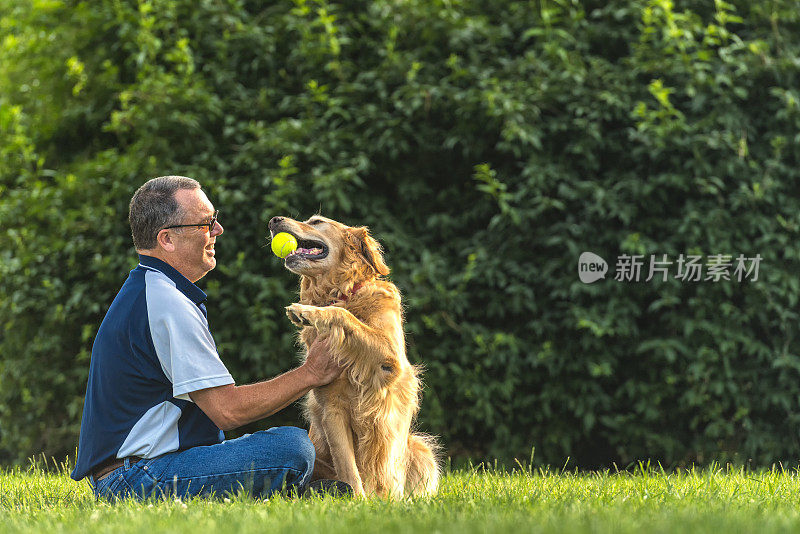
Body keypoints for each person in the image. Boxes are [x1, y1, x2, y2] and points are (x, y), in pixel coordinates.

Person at [70, 175, 345, 501]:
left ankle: (297, 491)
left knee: (286, 447)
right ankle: (297, 489)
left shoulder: (151, 288)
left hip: (133, 472)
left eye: (214, 220)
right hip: (136, 480)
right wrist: (311, 373)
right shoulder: (167, 302)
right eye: (205, 223)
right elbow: (226, 411)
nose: (218, 230)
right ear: (167, 239)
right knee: (291, 447)